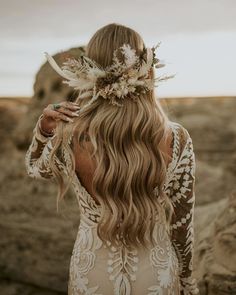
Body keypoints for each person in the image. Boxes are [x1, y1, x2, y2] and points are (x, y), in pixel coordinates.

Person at [25, 23, 199, 295]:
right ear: (145, 68)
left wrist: (44, 130)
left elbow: (35, 168)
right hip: (154, 275)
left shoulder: (69, 137)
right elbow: (181, 226)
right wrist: (187, 281)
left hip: (92, 273)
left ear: (89, 71)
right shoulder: (177, 139)